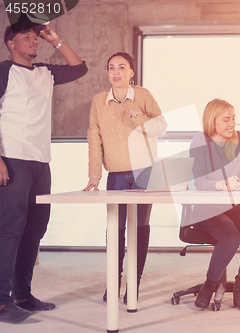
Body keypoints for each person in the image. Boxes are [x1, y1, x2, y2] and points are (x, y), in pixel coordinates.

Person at [0, 14, 87, 324]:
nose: (33, 40)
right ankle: (1, 303)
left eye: (35, 37)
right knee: (10, 230)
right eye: (27, 37)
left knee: (35, 229)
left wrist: (54, 39)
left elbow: (79, 68)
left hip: (40, 161)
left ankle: (22, 295)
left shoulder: (45, 73)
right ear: (11, 44)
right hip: (12, 159)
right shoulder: (4, 72)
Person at [83, 52, 167, 304]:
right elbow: (94, 137)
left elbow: (161, 127)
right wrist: (94, 173)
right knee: (115, 229)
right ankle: (114, 281)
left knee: (139, 229)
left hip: (145, 172)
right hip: (116, 174)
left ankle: (134, 283)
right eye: (111, 68)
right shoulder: (99, 101)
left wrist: (138, 117)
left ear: (131, 72)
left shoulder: (143, 96)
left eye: (122, 67)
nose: (116, 72)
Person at [188, 98, 240, 311]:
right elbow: (198, 182)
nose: (232, 124)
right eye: (226, 119)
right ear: (212, 120)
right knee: (230, 235)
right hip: (207, 208)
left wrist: (236, 185)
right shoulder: (200, 141)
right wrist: (220, 185)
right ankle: (209, 285)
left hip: (236, 206)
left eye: (233, 118)